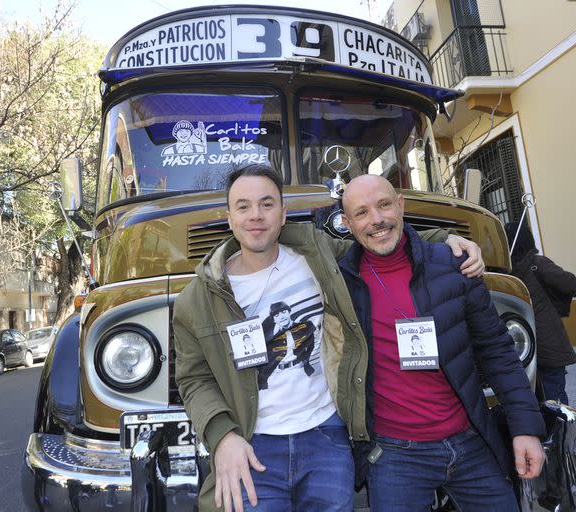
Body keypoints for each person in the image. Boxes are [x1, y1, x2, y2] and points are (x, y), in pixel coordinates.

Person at [173, 165, 485, 512]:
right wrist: (223, 436)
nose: (256, 216)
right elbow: (194, 379)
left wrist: (444, 240)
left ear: (283, 213)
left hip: (326, 438)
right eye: (243, 206)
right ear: (229, 217)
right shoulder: (196, 300)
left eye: (267, 204)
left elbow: (379, 240)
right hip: (251, 444)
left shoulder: (318, 254)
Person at [338, 175, 546, 512]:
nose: (376, 220)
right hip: (395, 458)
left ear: (401, 205)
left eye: (384, 205)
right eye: (361, 213)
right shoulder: (341, 286)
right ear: (347, 224)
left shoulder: (452, 265)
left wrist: (525, 428)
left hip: (470, 444)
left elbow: (497, 349)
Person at [505, 221, 576, 404]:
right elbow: (573, 285)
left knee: (534, 398)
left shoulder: (506, 274)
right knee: (555, 399)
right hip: (548, 342)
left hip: (520, 345)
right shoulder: (537, 264)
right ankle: (561, 431)